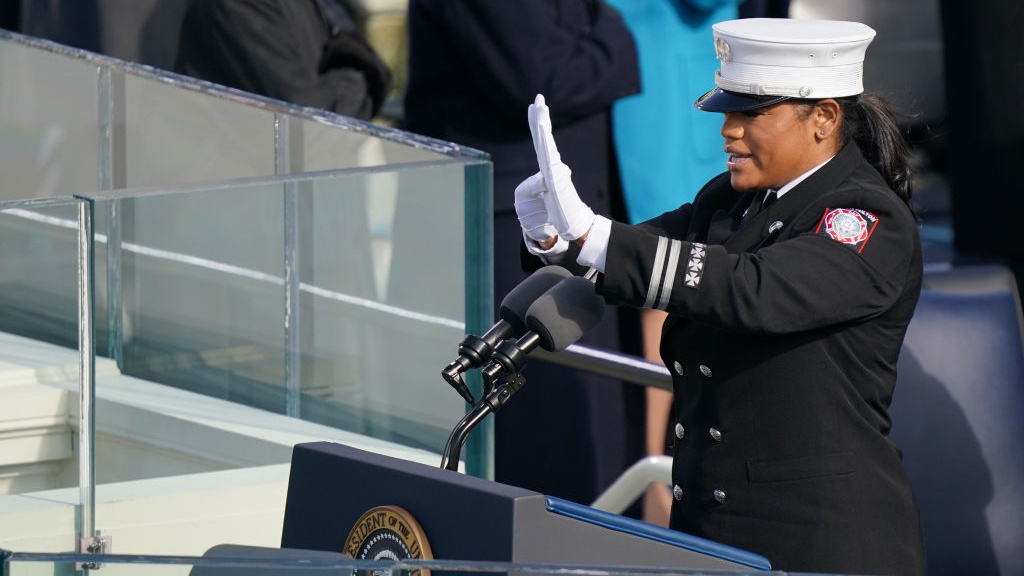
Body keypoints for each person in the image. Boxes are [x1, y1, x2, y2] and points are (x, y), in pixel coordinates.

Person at [514, 18, 928, 575]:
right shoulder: (731, 202)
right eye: (727, 112)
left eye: (751, 113)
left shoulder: (862, 218)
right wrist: (555, 238)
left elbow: (757, 290)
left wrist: (597, 237)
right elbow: (639, 257)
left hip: (818, 543)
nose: (728, 130)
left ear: (824, 119)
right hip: (715, 536)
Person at [402, 0, 647, 507]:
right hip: (499, 225)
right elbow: (541, 78)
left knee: (588, 438)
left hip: (560, 217)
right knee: (538, 442)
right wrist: (614, 37)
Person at [600, 0, 744, 527]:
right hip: (644, 107)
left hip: (669, 99)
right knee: (655, 288)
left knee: (670, 286)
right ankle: (656, 481)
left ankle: (660, 479)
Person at [174, 0, 392, 121]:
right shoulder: (240, 7)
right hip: (252, 193)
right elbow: (310, 126)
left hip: (296, 190)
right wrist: (358, 75)